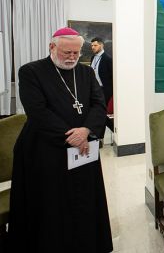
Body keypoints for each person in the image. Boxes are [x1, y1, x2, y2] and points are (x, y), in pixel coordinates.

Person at [8, 27, 112, 252]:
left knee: (83, 200)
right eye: (67, 53)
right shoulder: (30, 71)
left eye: (76, 53)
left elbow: (98, 104)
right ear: (52, 47)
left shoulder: (85, 73)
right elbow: (37, 111)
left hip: (83, 148)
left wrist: (85, 131)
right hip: (44, 149)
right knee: (51, 205)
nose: (72, 58)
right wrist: (72, 136)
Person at [91, 37, 114, 132]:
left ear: (101, 45)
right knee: (97, 113)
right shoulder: (93, 57)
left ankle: (115, 131)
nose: (93, 47)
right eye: (91, 45)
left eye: (95, 45)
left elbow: (113, 77)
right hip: (95, 90)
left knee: (102, 114)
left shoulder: (108, 59)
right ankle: (99, 136)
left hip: (106, 91)